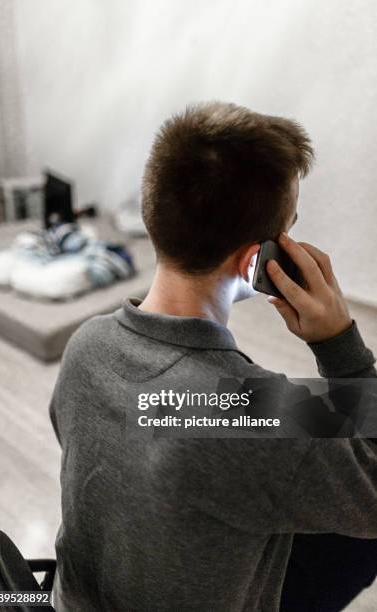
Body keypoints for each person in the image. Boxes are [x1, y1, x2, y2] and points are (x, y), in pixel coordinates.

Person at [49, 102, 377, 612]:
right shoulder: (252, 408)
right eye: (289, 225)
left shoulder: (85, 346)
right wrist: (339, 342)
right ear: (256, 262)